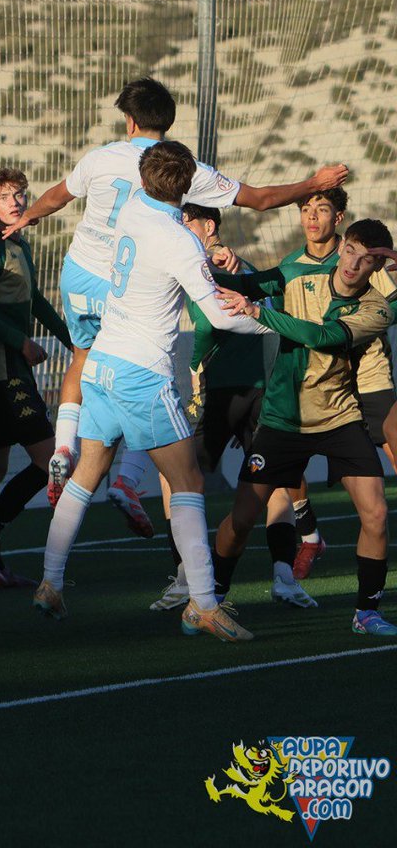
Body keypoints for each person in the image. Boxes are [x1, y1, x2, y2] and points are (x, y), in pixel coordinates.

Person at [4, 77, 348, 537]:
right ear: (168, 122)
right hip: (131, 290)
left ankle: (64, 448)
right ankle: (130, 482)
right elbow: (262, 200)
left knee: (86, 361)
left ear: (129, 120)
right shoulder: (186, 172)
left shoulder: (101, 157)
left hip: (79, 273)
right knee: (154, 380)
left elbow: (57, 195)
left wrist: (28, 216)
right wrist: (314, 183)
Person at [33, 141, 269, 642]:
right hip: (143, 372)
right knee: (188, 483)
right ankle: (204, 604)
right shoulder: (180, 240)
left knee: (85, 476)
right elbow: (222, 315)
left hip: (102, 363)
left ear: (143, 180)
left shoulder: (133, 209)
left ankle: (50, 582)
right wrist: (273, 325)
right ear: (188, 186)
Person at [213, 219, 396, 636]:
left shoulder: (377, 308)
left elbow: (323, 336)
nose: (353, 264)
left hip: (339, 418)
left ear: (376, 268)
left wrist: (260, 313)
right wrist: (207, 264)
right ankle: (212, 598)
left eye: (367, 260)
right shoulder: (297, 276)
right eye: (350, 251)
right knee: (241, 519)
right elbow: (248, 284)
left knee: (376, 513)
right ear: (342, 245)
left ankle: (366, 613)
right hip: (283, 419)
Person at [151, 204, 314, 612]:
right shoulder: (237, 266)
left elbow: (210, 325)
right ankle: (284, 577)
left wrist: (194, 366)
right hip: (263, 387)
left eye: (186, 223)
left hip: (224, 389)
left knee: (175, 473)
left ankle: (186, 576)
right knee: (273, 480)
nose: (179, 229)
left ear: (208, 226)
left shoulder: (206, 267)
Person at [0, 167, 71, 588]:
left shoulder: (18, 244)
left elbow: (35, 300)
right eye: (4, 196)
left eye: (20, 194)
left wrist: (72, 339)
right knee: (49, 461)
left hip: (5, 370)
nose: (15, 202)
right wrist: (21, 342)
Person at [277, 189, 397, 580]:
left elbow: (391, 306)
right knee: (284, 460)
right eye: (305, 209)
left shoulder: (362, 255)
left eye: (322, 209)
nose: (312, 217)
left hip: (369, 377)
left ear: (339, 219)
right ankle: (309, 534)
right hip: (318, 384)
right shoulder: (290, 267)